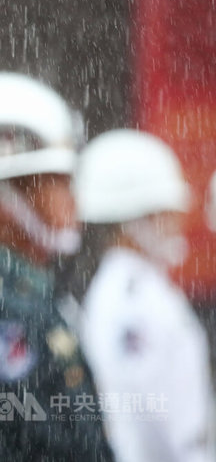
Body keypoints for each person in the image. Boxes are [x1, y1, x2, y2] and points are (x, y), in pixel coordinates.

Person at [0, 72, 114, 461]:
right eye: (59, 181)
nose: (74, 200)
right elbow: (36, 445)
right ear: (4, 197)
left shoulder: (25, 294)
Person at [74, 129, 215, 462]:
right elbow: (155, 420)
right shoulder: (132, 303)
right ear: (135, 220)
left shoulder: (139, 289)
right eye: (166, 213)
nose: (179, 223)